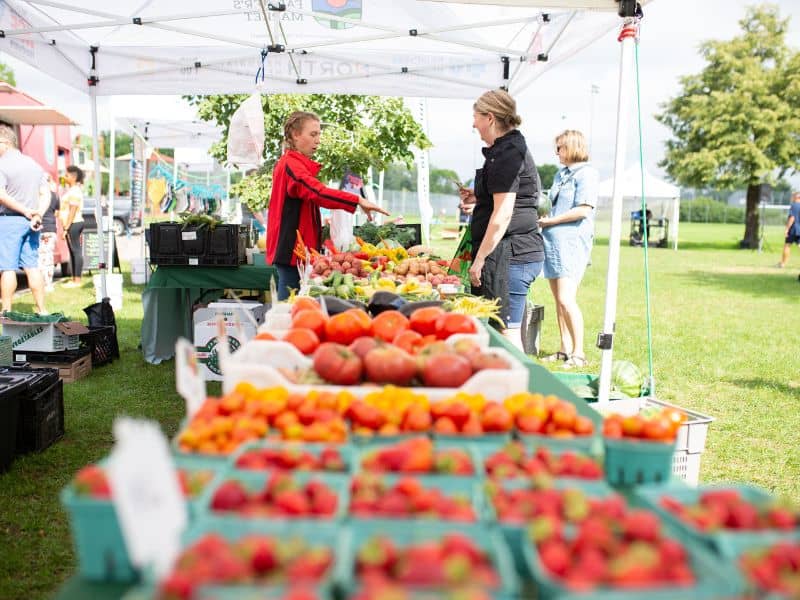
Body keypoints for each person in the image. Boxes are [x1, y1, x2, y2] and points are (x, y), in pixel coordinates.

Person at [265, 111, 389, 300]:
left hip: (297, 250)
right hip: (292, 250)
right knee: (289, 305)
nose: (318, 140)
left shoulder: (293, 164)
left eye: (319, 135)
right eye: (313, 134)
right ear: (295, 135)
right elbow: (318, 192)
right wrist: (357, 200)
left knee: (294, 303)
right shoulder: (291, 165)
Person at [458, 89, 544, 351]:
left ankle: (520, 388)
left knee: (507, 332)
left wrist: (480, 259)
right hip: (511, 251)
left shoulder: (508, 153)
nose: (473, 124)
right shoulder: (506, 149)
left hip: (512, 254)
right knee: (499, 329)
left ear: (490, 118)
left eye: (476, 117)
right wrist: (478, 193)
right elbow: (510, 194)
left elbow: (504, 212)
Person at [538, 130, 599, 368]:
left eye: (560, 148)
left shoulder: (587, 175)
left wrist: (550, 221)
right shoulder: (560, 174)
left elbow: (584, 209)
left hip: (571, 242)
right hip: (553, 242)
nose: (557, 152)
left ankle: (579, 353)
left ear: (572, 147)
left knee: (566, 298)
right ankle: (564, 349)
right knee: (558, 300)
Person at [0, 124, 49, 314]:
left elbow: (1, 195)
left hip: (9, 220)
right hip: (32, 222)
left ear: (3, 142)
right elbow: (46, 194)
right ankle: (42, 309)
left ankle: (6, 310)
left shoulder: (2, 164)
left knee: (8, 267)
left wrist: (26, 210)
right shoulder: (34, 164)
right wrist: (37, 214)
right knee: (32, 266)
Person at [60, 165, 85, 288]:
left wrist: (66, 228)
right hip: (72, 223)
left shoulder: (75, 191)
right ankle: (74, 278)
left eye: (67, 175)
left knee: (76, 251)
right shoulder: (71, 189)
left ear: (73, 177)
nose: (64, 177)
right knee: (73, 251)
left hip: (74, 223)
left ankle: (77, 280)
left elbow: (72, 210)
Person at [38, 174, 61, 292]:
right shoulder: (55, 196)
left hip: (39, 227)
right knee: (49, 257)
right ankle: (49, 284)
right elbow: (57, 213)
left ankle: (40, 283)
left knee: (39, 257)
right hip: (51, 228)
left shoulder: (37, 195)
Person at [777, 192, 800, 268]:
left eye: (792, 197)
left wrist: (787, 229)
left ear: (796, 197)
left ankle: (783, 263)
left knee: (787, 245)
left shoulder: (794, 205)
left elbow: (792, 218)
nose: (791, 198)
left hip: (794, 229)